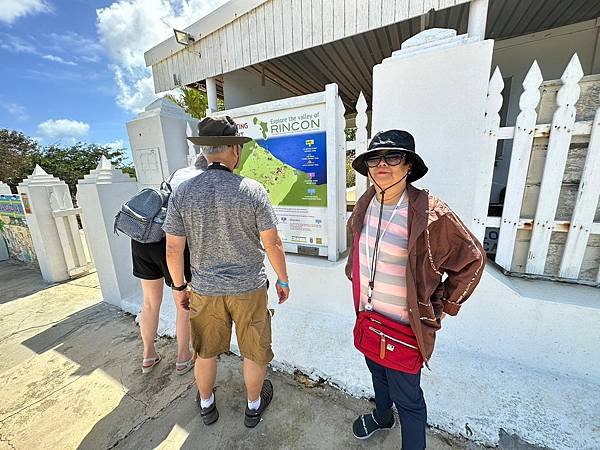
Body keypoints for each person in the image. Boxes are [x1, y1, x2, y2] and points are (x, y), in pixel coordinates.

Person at [345, 130, 486, 449]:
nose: (382, 165)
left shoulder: (429, 213)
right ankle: (382, 416)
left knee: (408, 398)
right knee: (377, 377)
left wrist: (442, 306)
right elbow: (359, 249)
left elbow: (473, 260)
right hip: (368, 318)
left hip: (405, 327)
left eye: (392, 157)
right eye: (374, 159)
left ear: (408, 165)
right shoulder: (366, 203)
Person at [163, 116, 290, 428]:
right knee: (254, 352)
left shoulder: (183, 192)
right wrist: (283, 279)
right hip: (249, 288)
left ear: (206, 152)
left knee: (205, 352)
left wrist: (180, 288)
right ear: (235, 149)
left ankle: (207, 404)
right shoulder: (252, 190)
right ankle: (253, 406)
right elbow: (272, 242)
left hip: (204, 289)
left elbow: (173, 249)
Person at [131, 154, 207, 375]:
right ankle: (183, 358)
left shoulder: (178, 173)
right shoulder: (204, 179)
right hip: (171, 242)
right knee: (183, 304)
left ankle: (148, 355)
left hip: (143, 237)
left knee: (149, 303)